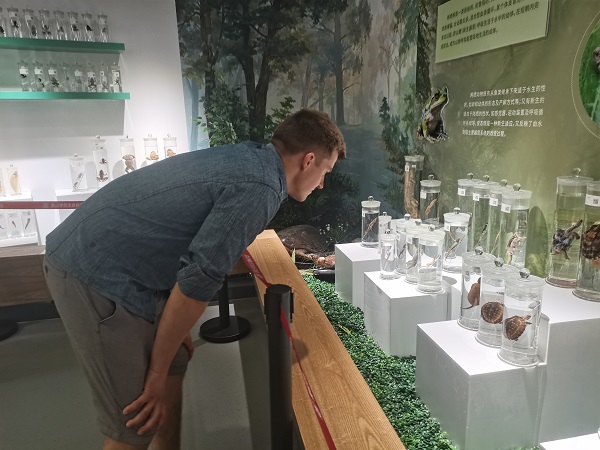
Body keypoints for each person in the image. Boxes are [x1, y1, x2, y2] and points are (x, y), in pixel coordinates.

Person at [43, 109, 346, 450]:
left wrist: (173, 334)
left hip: (131, 266)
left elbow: (190, 252)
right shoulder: (261, 186)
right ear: (308, 160)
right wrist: (154, 373)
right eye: (325, 172)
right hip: (94, 269)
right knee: (137, 419)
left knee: (174, 364)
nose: (322, 184)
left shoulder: (254, 161)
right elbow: (199, 279)